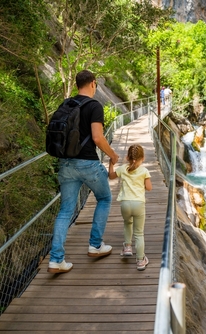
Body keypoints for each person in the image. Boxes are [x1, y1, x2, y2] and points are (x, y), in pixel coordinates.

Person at [48, 69, 119, 274]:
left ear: (77, 84)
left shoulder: (66, 104)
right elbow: (97, 138)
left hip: (66, 164)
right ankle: (95, 245)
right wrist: (113, 155)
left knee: (65, 211)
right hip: (87, 163)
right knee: (104, 198)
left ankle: (56, 260)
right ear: (93, 84)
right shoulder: (94, 106)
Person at [108, 144, 152, 271]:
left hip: (125, 204)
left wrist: (111, 164)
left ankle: (127, 247)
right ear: (142, 158)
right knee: (139, 233)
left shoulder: (122, 168)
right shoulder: (144, 171)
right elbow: (149, 188)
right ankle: (140, 260)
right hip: (138, 204)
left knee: (127, 223)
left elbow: (111, 176)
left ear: (127, 157)